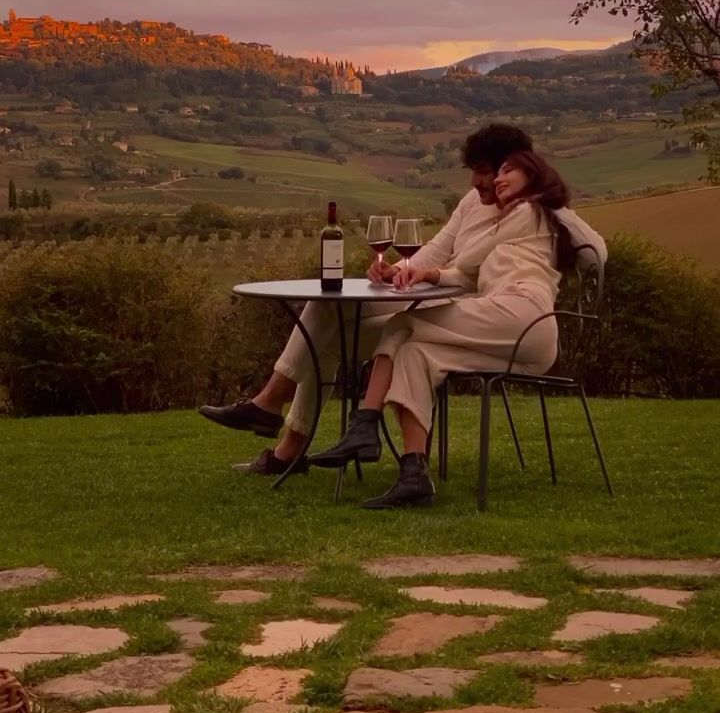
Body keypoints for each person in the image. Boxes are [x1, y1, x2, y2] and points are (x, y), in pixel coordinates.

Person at [198, 124, 605, 477]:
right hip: (431, 305)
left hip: (465, 319)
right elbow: (434, 252)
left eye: (486, 172)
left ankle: (281, 429)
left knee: (337, 328)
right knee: (327, 311)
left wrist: (544, 194)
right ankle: (279, 427)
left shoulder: (531, 212)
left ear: (513, 169)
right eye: (480, 173)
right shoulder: (472, 205)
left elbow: (595, 252)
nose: (479, 183)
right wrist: (396, 269)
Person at [308, 151, 595, 511]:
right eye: (499, 170)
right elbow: (467, 273)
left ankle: (365, 423)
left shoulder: (530, 211)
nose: (499, 178)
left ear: (534, 175)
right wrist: (425, 273)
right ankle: (414, 476)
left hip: (522, 315)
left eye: (508, 171)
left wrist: (424, 266)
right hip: (509, 331)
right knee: (415, 354)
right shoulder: (516, 226)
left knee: (400, 322)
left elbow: (468, 256)